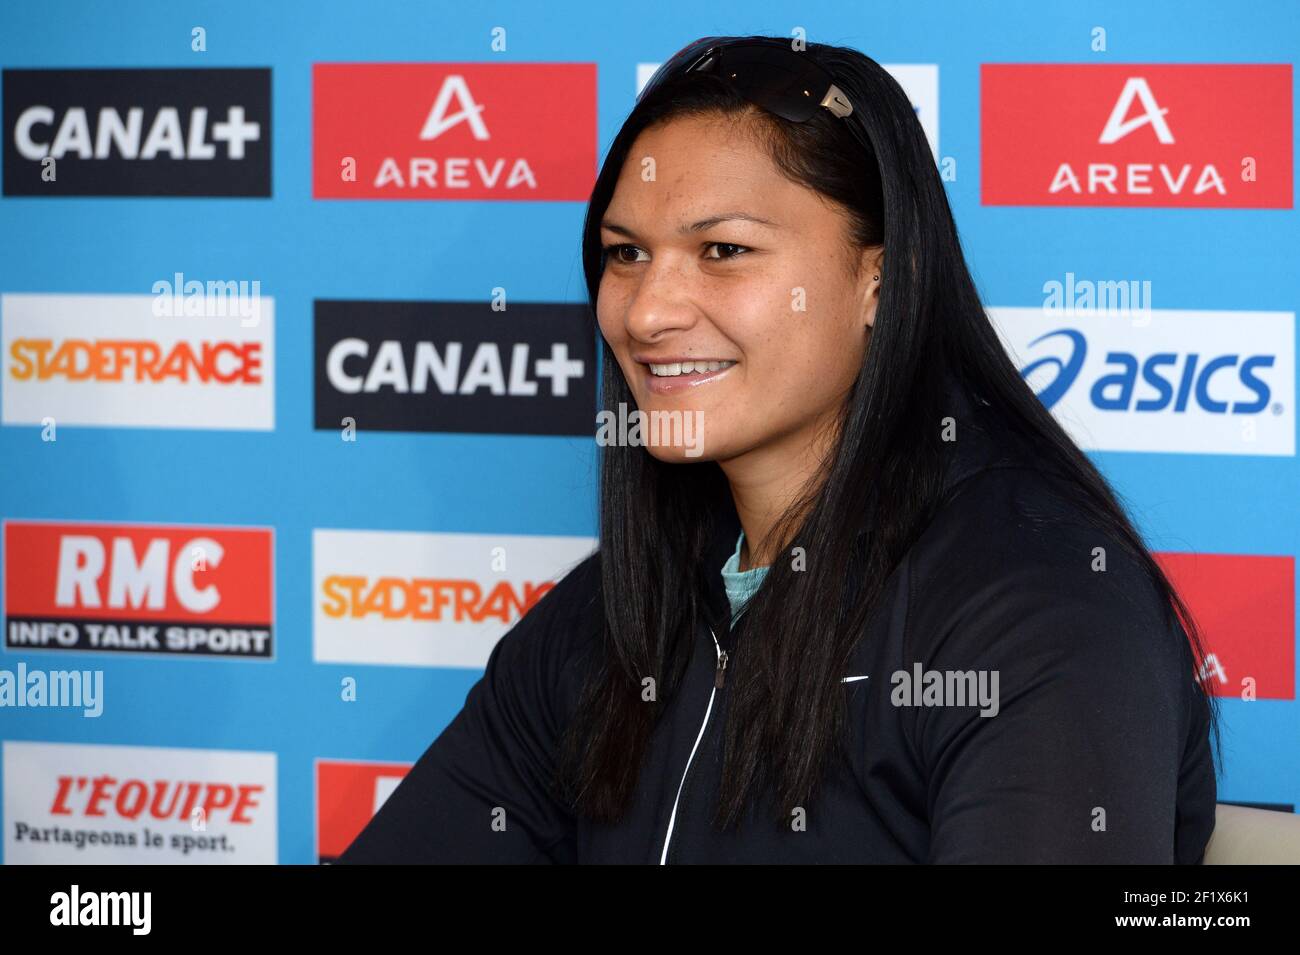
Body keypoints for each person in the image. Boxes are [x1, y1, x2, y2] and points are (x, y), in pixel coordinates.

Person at [339, 34, 1220, 864]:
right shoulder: (617, 608)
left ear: (882, 278)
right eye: (624, 253)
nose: (647, 312)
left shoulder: (1041, 604)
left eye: (723, 250)